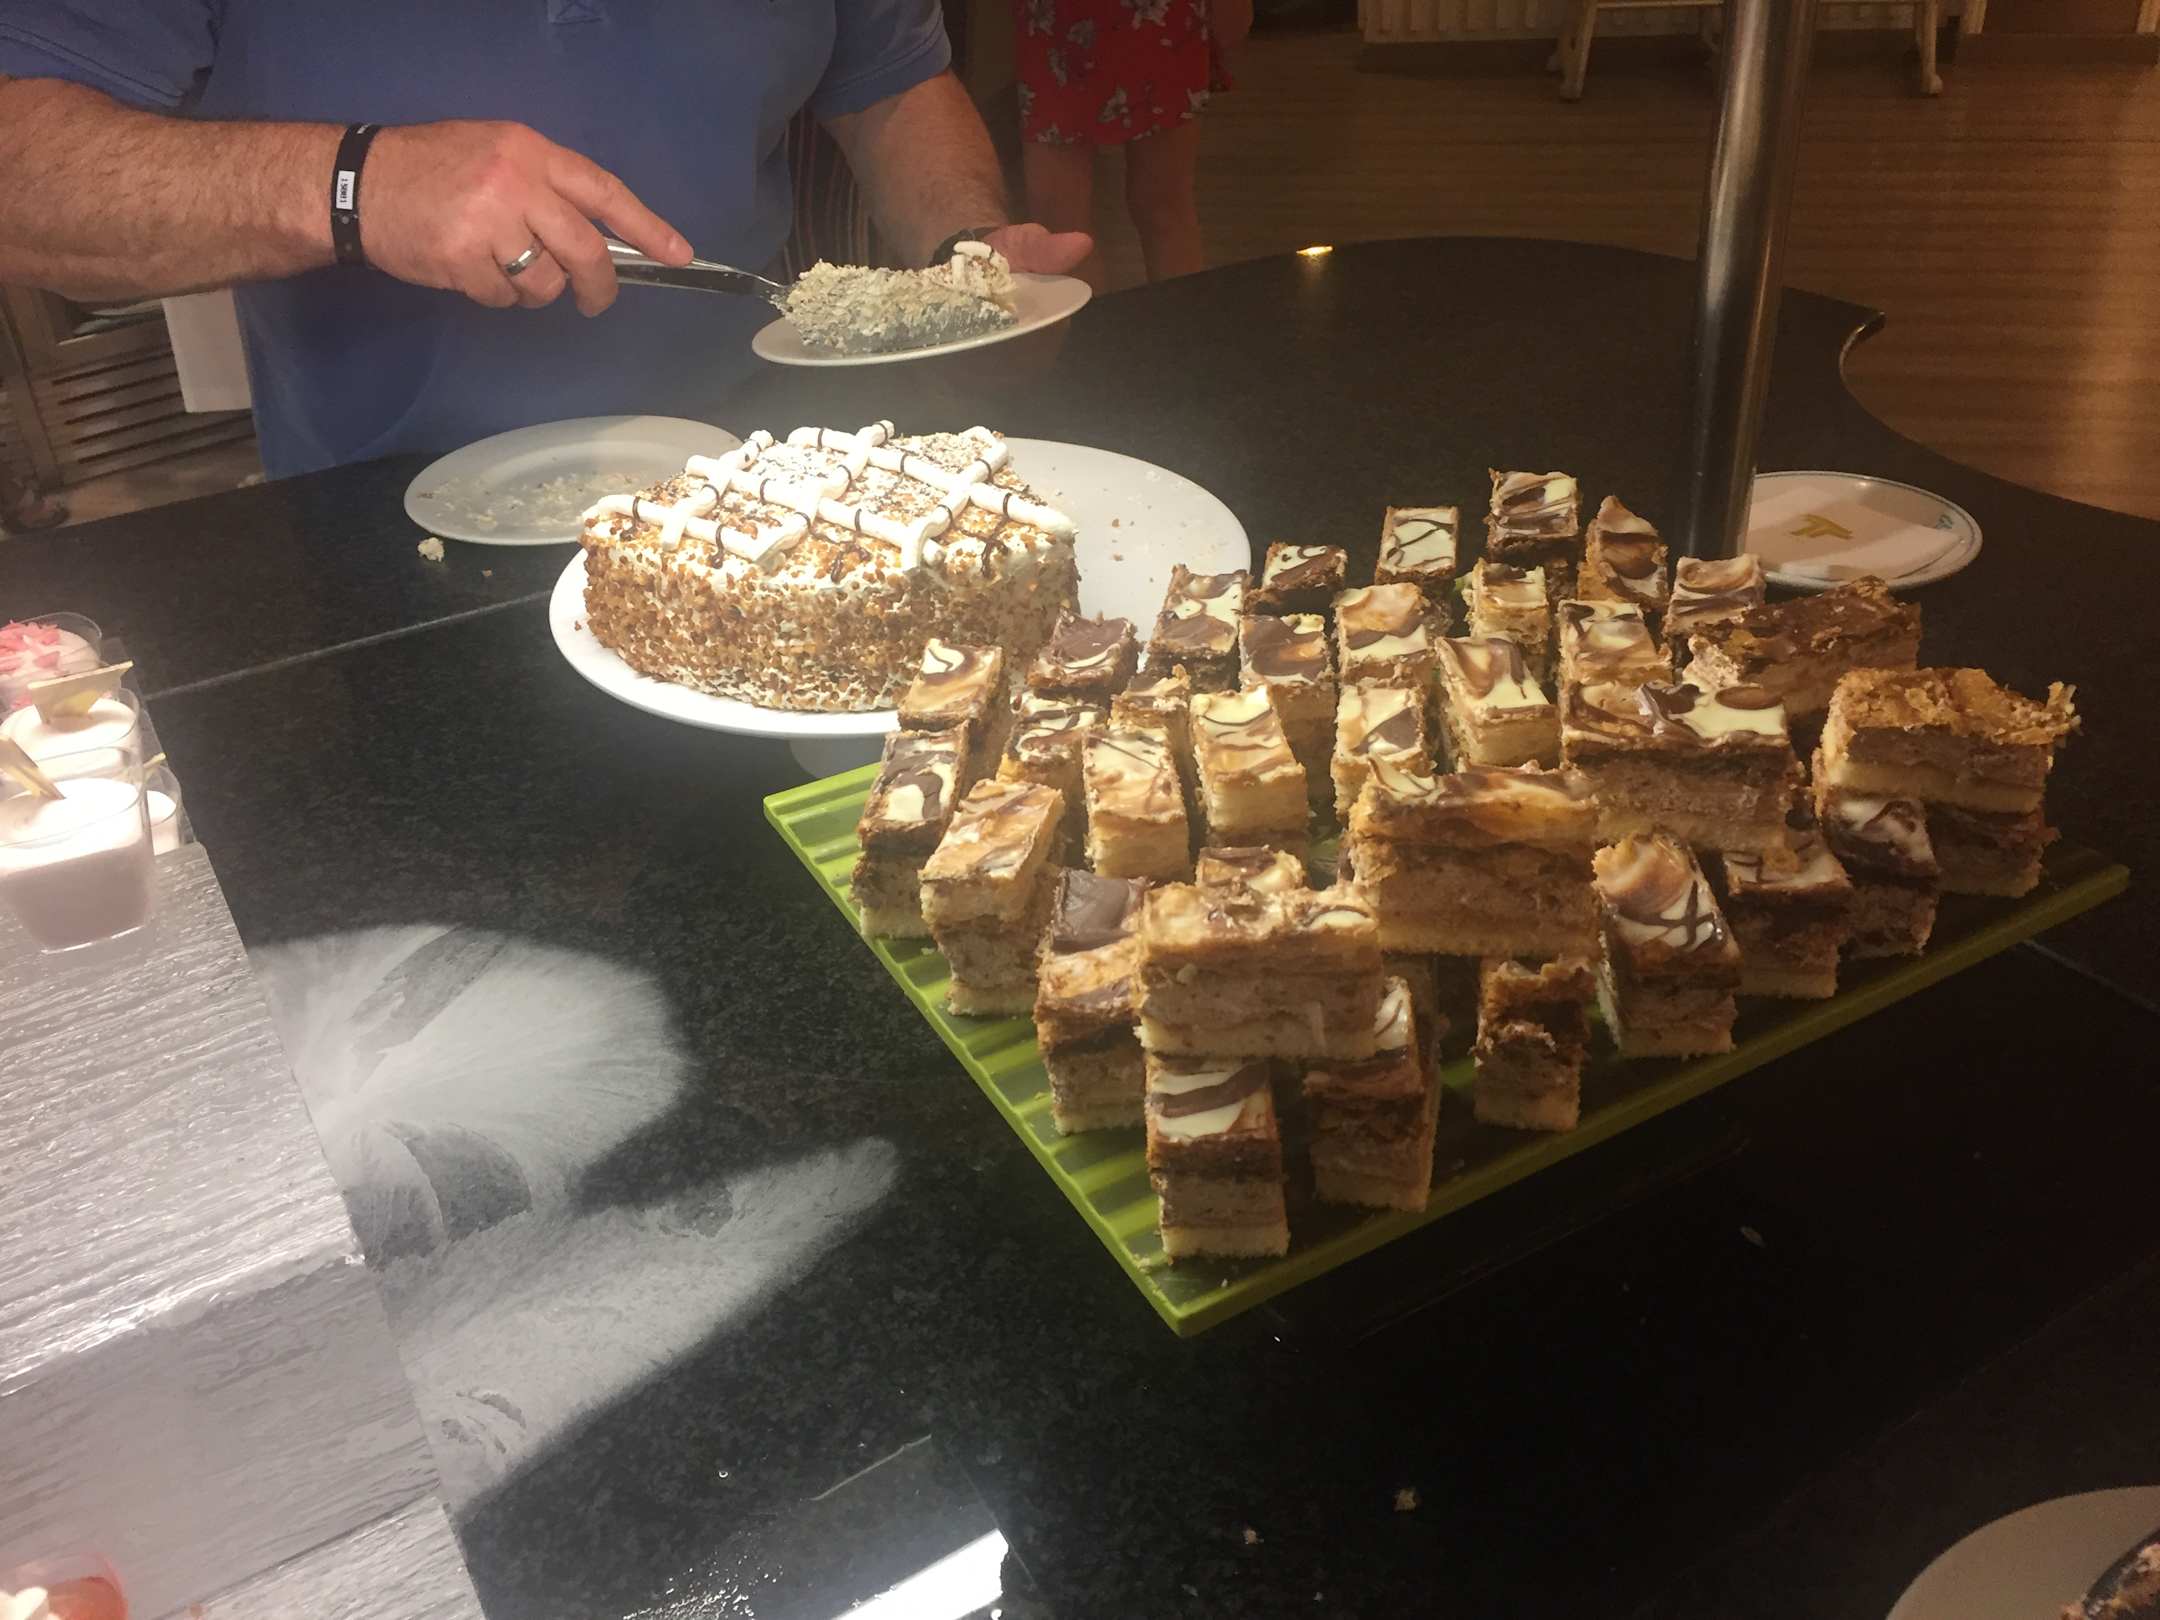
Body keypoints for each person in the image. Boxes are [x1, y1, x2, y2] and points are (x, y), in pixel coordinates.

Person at [0, 6, 1090, 479]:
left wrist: (965, 265)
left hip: (768, 468)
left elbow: (889, 80)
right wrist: (355, 181)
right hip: (386, 519)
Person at [1014, 0, 1249, 288]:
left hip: (1158, 13)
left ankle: (1185, 317)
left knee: (1163, 204)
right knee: (1058, 221)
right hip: (1050, 17)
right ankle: (1090, 321)